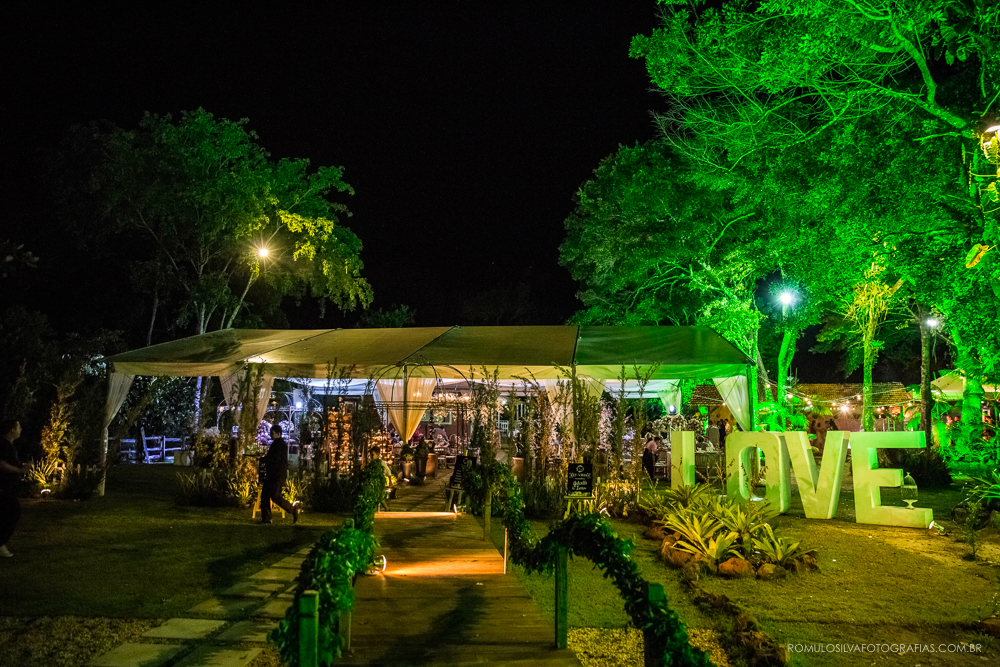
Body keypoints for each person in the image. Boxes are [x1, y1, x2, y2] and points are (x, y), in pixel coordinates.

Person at [258, 424, 299, 525]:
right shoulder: (277, 443)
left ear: (278, 434)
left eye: (272, 433)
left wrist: (264, 459)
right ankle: (266, 518)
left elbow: (275, 458)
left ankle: (292, 509)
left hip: (277, 474)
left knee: (275, 496)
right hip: (273, 473)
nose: (270, 435)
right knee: (265, 495)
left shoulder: (279, 445)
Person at [0, 419, 26, 558]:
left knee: (7, 513)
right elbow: (2, 464)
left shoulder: (9, 445)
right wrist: (18, 470)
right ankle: (1, 543)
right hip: (3, 487)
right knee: (13, 512)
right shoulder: (4, 445)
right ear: (11, 430)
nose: (20, 429)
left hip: (8, 487)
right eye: (19, 427)